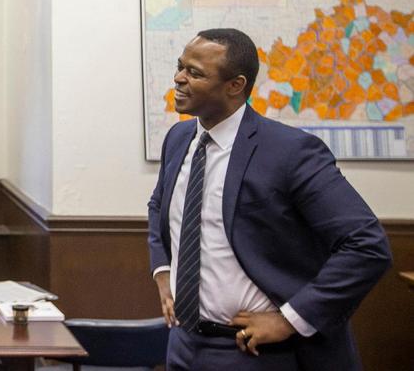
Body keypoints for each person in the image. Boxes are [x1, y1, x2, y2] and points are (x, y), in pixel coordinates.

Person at [147, 28, 391, 370]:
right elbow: (159, 204)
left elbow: (367, 245)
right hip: (182, 345)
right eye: (180, 66)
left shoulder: (290, 152)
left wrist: (290, 319)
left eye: (195, 73)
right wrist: (162, 270)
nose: (179, 78)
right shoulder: (178, 138)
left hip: (253, 353)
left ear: (235, 86)